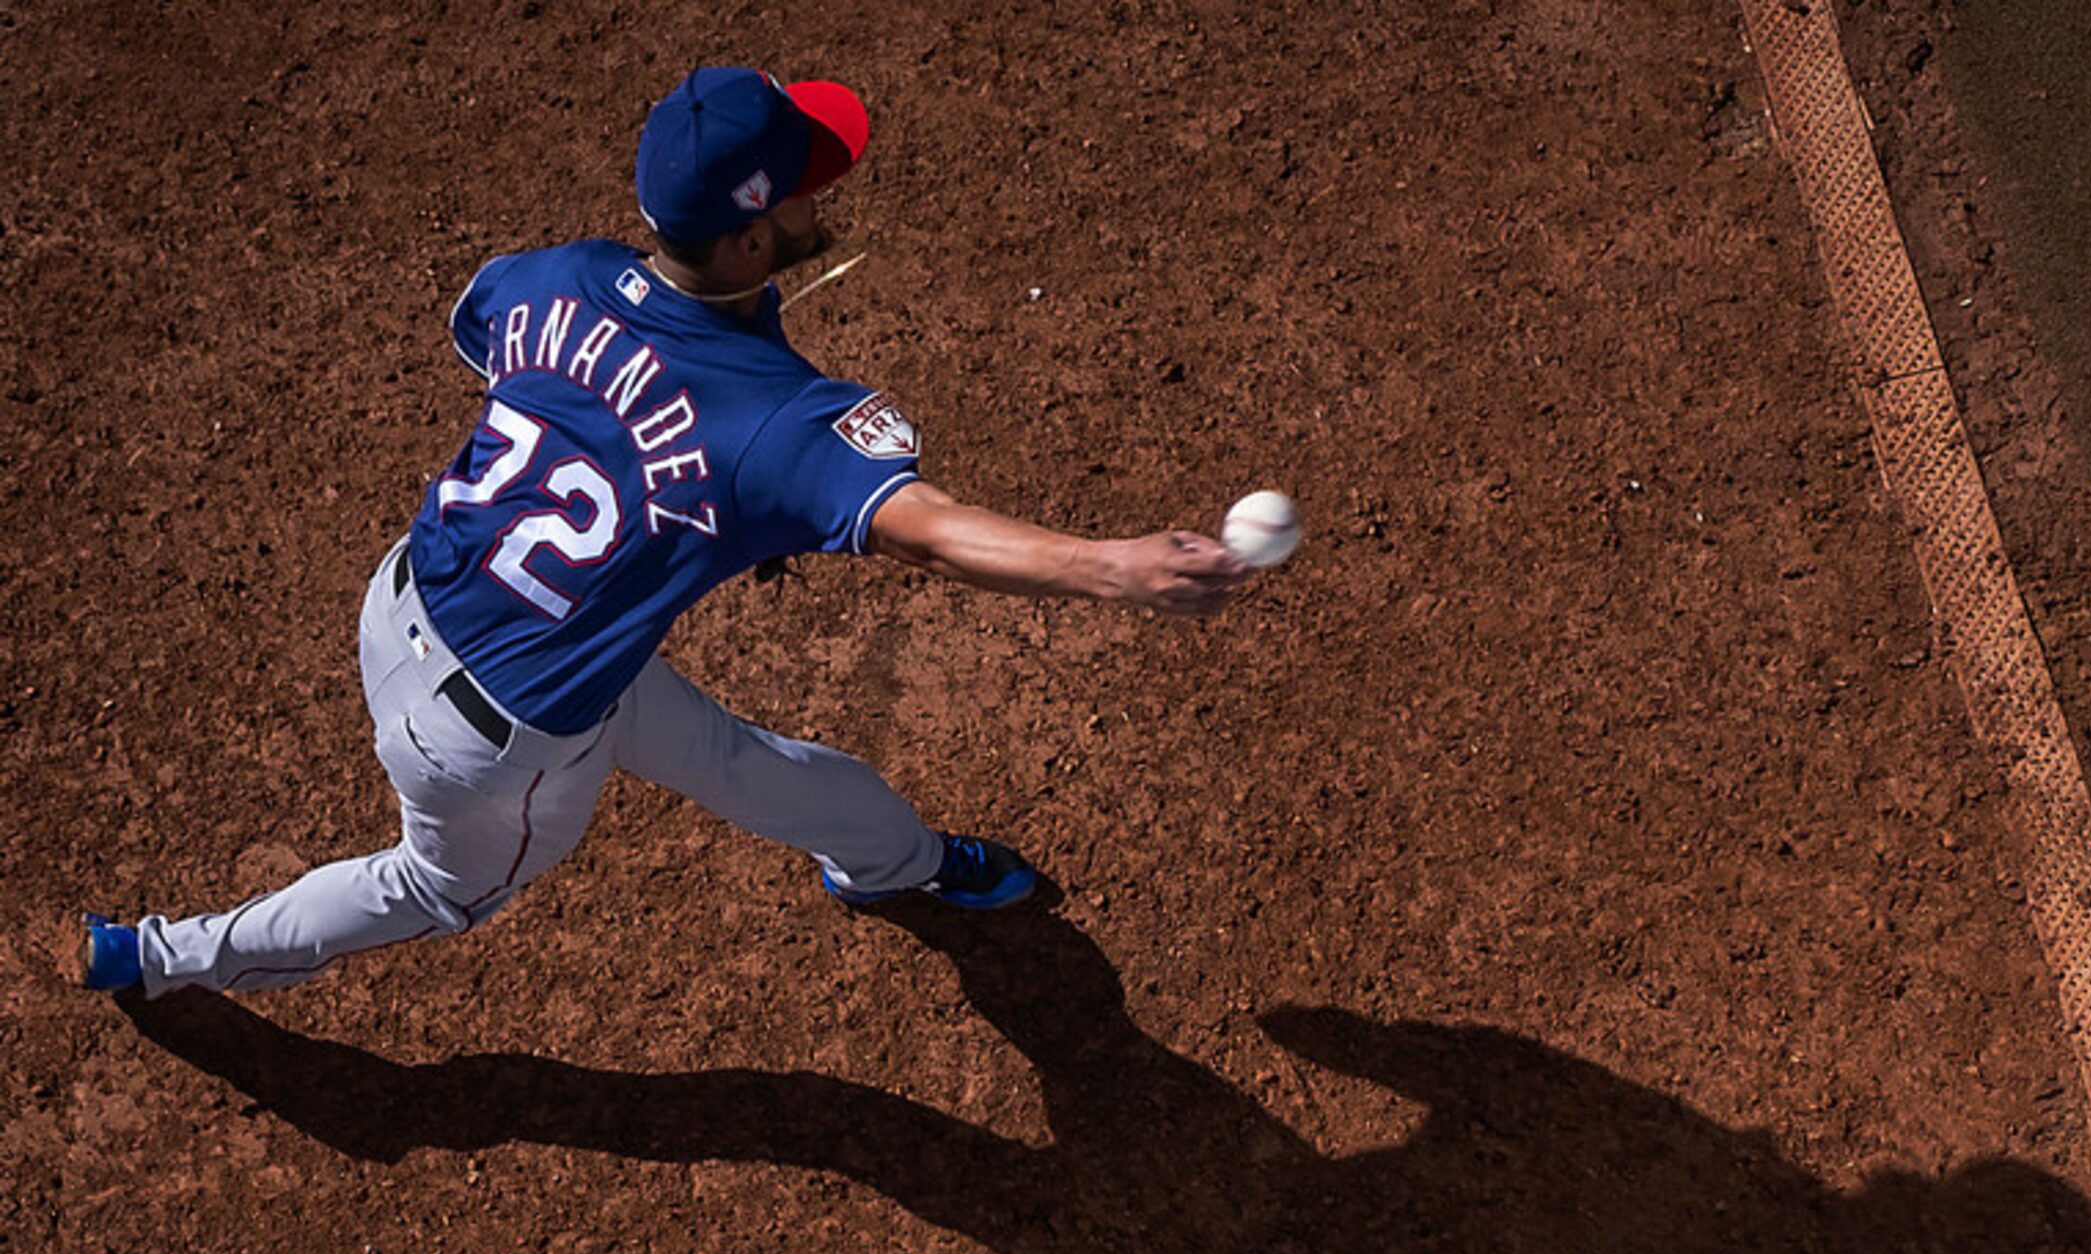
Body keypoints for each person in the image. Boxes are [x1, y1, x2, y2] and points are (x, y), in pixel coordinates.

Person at [77, 66, 1247, 999]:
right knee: (431, 892)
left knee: (761, 767)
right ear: (745, 240)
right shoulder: (775, 423)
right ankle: (171, 957)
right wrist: (1115, 567)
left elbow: (488, 337)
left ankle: (900, 864)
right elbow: (931, 532)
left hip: (414, 599)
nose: (818, 196)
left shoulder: (554, 275)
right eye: (801, 186)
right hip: (499, 745)